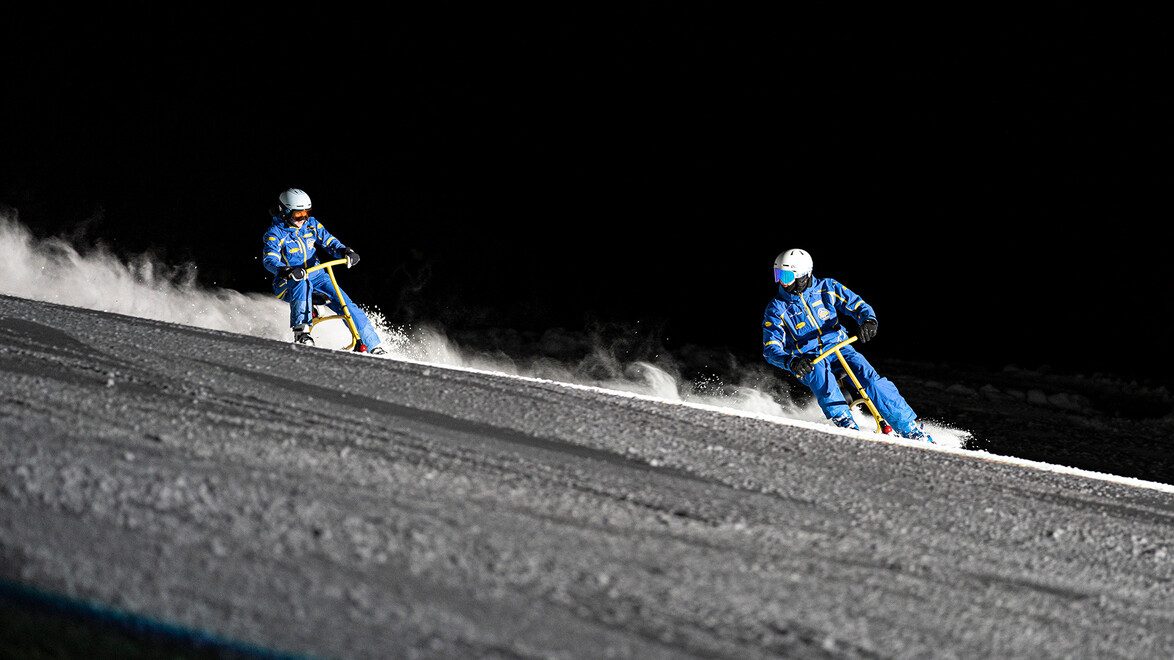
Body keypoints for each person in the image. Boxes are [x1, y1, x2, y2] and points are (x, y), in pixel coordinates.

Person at [762, 248, 932, 442]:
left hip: (839, 346)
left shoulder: (827, 288)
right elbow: (770, 349)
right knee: (820, 376)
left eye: (786, 275)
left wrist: (868, 320)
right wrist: (792, 361)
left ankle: (909, 428)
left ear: (803, 274)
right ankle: (845, 422)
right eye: (778, 275)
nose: (782, 281)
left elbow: (857, 305)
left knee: (871, 379)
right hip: (809, 358)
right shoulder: (776, 308)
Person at [261, 188, 385, 355]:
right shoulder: (275, 233)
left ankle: (372, 345)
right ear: (285, 212)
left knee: (346, 304)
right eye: (298, 215)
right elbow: (270, 260)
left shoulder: (311, 224)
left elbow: (328, 241)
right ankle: (302, 332)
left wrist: (345, 252)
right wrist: (286, 271)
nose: (303, 219)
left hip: (317, 275)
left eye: (306, 213)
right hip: (288, 281)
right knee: (302, 283)